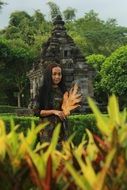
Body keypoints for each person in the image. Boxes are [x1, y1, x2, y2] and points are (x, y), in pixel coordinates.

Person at [34, 62, 69, 146]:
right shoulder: (43, 90)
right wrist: (54, 111)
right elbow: (36, 111)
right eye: (54, 74)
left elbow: (66, 107)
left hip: (62, 129)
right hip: (47, 131)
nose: (57, 77)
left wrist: (68, 110)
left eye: (59, 74)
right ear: (49, 75)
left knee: (63, 156)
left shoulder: (63, 90)